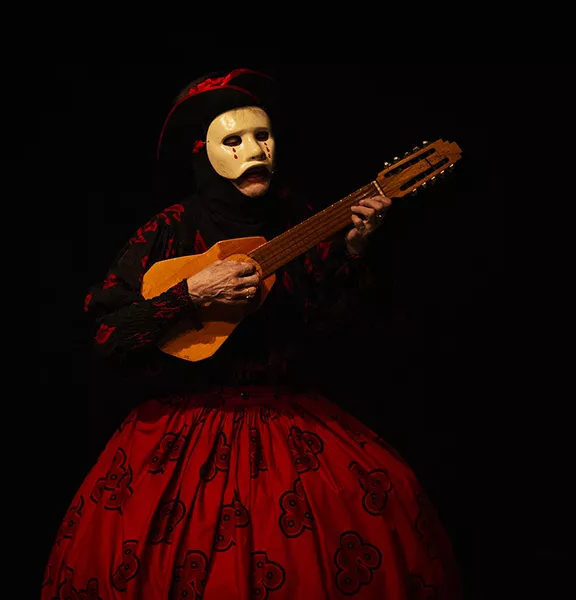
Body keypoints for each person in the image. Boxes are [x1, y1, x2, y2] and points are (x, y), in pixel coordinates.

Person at [41, 67, 461, 599]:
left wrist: (354, 251)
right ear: (203, 152)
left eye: (262, 135)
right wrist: (190, 295)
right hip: (182, 432)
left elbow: (345, 331)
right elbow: (105, 335)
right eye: (232, 139)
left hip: (290, 428)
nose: (253, 150)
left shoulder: (303, 219)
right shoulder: (169, 229)